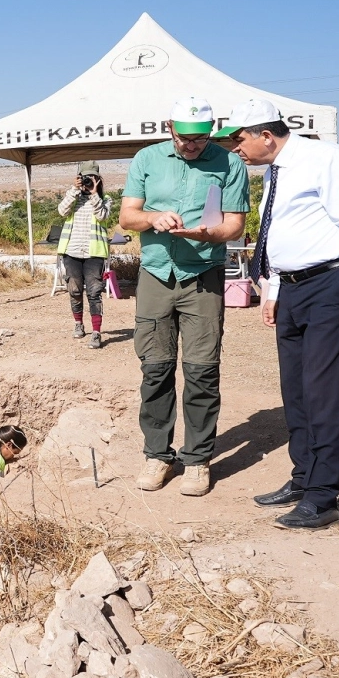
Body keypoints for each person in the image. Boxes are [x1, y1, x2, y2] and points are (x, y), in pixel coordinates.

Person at [216, 99, 339, 530]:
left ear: (265, 135)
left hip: (329, 285)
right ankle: (303, 477)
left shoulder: (326, 159)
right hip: (290, 289)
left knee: (326, 391)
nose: (235, 149)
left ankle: (323, 497)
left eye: (238, 139)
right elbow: (278, 230)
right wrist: (271, 289)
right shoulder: (276, 170)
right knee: (297, 391)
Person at [119, 97, 249, 497]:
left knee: (201, 371)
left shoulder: (231, 164)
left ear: (212, 130)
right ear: (169, 126)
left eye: (201, 138)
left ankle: (197, 460)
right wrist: (152, 219)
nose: (192, 145)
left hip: (203, 276)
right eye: (184, 137)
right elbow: (127, 218)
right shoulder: (146, 159)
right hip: (156, 272)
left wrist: (209, 234)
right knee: (155, 369)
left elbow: (235, 225)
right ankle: (158, 455)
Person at [57, 160, 112, 349]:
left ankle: (96, 332)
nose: (90, 181)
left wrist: (94, 195)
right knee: (74, 290)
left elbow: (103, 216)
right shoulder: (74, 197)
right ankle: (78, 323)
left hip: (94, 254)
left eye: (93, 178)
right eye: (86, 178)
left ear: (98, 179)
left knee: (95, 292)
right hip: (72, 252)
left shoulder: (105, 200)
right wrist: (74, 190)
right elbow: (62, 211)